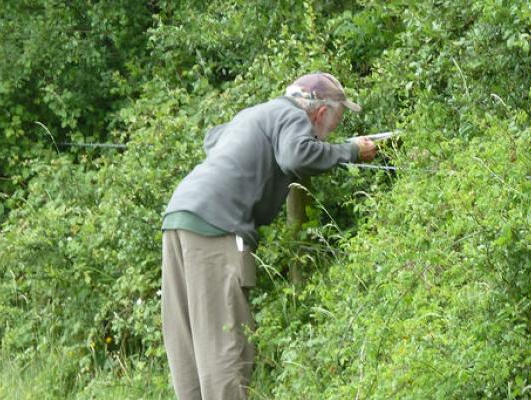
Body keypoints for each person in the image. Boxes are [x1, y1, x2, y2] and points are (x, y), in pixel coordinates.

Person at [159, 72, 376, 400]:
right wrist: (350, 151)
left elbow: (212, 140)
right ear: (320, 112)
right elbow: (295, 156)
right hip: (217, 227)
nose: (334, 129)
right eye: (337, 120)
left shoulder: (257, 113)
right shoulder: (292, 116)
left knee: (188, 343)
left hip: (179, 217)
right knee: (225, 345)